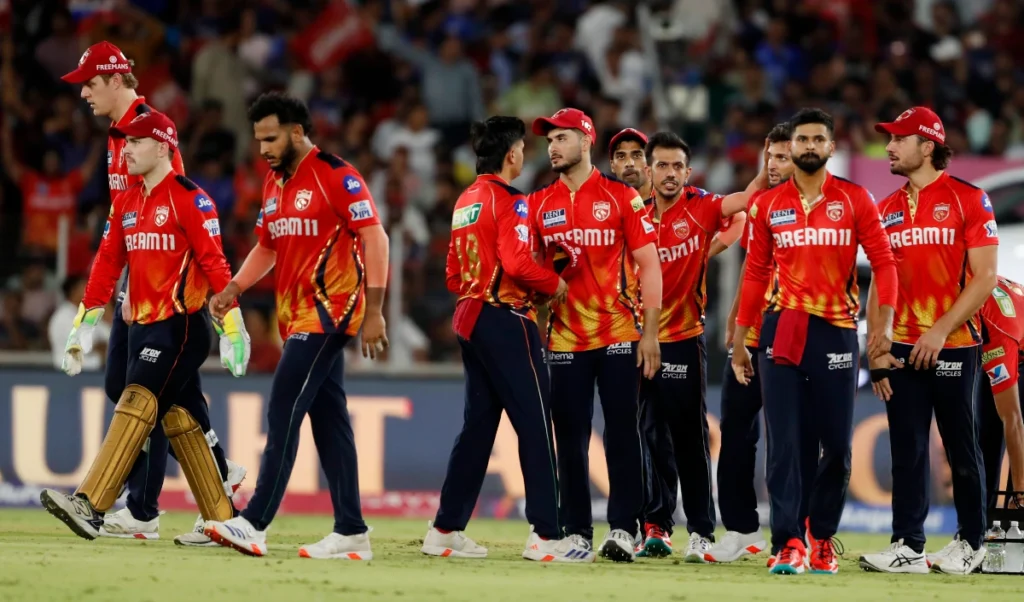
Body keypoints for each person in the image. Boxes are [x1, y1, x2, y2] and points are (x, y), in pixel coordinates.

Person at [60, 40, 244, 545]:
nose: (84, 95)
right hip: (137, 287)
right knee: (150, 395)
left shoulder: (151, 134)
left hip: (166, 296)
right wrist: (87, 317)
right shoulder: (120, 139)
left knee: (143, 392)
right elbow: (117, 240)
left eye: (90, 84)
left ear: (116, 79)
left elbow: (176, 226)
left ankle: (122, 506)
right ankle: (219, 481)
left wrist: (224, 319)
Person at [203, 92, 390, 559]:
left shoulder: (335, 175)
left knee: (284, 405)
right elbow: (267, 247)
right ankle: (352, 531)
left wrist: (374, 310)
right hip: (296, 316)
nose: (263, 149)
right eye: (258, 140)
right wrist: (233, 287)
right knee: (330, 421)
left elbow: (375, 237)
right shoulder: (274, 184)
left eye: (271, 139)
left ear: (297, 132)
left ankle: (254, 522)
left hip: (329, 312)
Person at [732, 108, 898, 575]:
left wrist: (883, 324)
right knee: (784, 443)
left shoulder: (855, 198)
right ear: (791, 146)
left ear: (830, 147)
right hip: (782, 327)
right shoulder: (767, 204)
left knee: (837, 447)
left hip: (836, 331)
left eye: (817, 139)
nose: (808, 146)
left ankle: (820, 535)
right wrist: (741, 337)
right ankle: (788, 542)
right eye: (802, 139)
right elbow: (755, 273)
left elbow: (884, 262)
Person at [419, 116, 590, 562]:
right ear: (512, 154)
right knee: (535, 424)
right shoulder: (510, 199)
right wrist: (553, 283)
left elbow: (453, 273)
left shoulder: (465, 200)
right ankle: (546, 535)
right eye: (523, 149)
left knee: (478, 428)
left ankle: (445, 529)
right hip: (505, 318)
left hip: (469, 316)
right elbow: (516, 263)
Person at [859, 106, 996, 576]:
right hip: (900, 347)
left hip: (954, 344)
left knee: (961, 447)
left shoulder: (969, 199)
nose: (889, 147)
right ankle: (908, 546)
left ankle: (972, 542)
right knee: (907, 450)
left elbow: (985, 278)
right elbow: (880, 283)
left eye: (899, 139)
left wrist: (939, 330)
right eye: (889, 139)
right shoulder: (885, 209)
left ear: (927, 145)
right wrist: (876, 344)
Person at [529, 108, 662, 563]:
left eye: (561, 138)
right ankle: (577, 533)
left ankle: (624, 529)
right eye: (550, 140)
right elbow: (532, 272)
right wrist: (544, 289)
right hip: (565, 338)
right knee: (569, 439)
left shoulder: (621, 197)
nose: (553, 147)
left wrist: (650, 334)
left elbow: (650, 265)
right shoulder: (537, 204)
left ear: (585, 141)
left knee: (622, 433)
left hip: (619, 333)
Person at [631, 131, 759, 562]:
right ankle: (656, 527)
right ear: (649, 170)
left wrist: (709, 248)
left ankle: (701, 530)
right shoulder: (634, 212)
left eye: (677, 166)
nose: (670, 173)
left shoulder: (701, 206)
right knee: (648, 434)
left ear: (688, 172)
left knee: (689, 437)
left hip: (683, 338)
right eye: (662, 165)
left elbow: (744, 207)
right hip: (636, 337)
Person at [708, 122, 817, 567]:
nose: (773, 165)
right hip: (751, 337)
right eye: (769, 157)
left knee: (792, 439)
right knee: (736, 432)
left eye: (782, 158)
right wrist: (736, 321)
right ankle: (741, 529)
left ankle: (801, 530)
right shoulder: (760, 206)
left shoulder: (813, 209)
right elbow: (753, 270)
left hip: (792, 336)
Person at [977, 278, 1024, 512]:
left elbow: (1013, 421)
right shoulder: (974, 279)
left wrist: (1020, 493)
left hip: (1010, 344)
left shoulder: (995, 338)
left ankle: (1018, 509)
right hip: (1007, 332)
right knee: (986, 436)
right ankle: (978, 522)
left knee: (1011, 422)